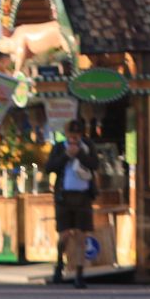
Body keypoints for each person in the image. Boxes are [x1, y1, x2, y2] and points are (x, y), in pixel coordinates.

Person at [45, 121, 99, 288]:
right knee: (65, 235)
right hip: (64, 197)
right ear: (67, 135)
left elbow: (95, 165)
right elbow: (49, 167)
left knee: (81, 236)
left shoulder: (88, 146)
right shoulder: (59, 147)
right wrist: (67, 155)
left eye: (77, 135)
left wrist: (80, 154)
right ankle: (59, 264)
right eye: (71, 135)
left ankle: (79, 274)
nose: (74, 138)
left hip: (83, 197)